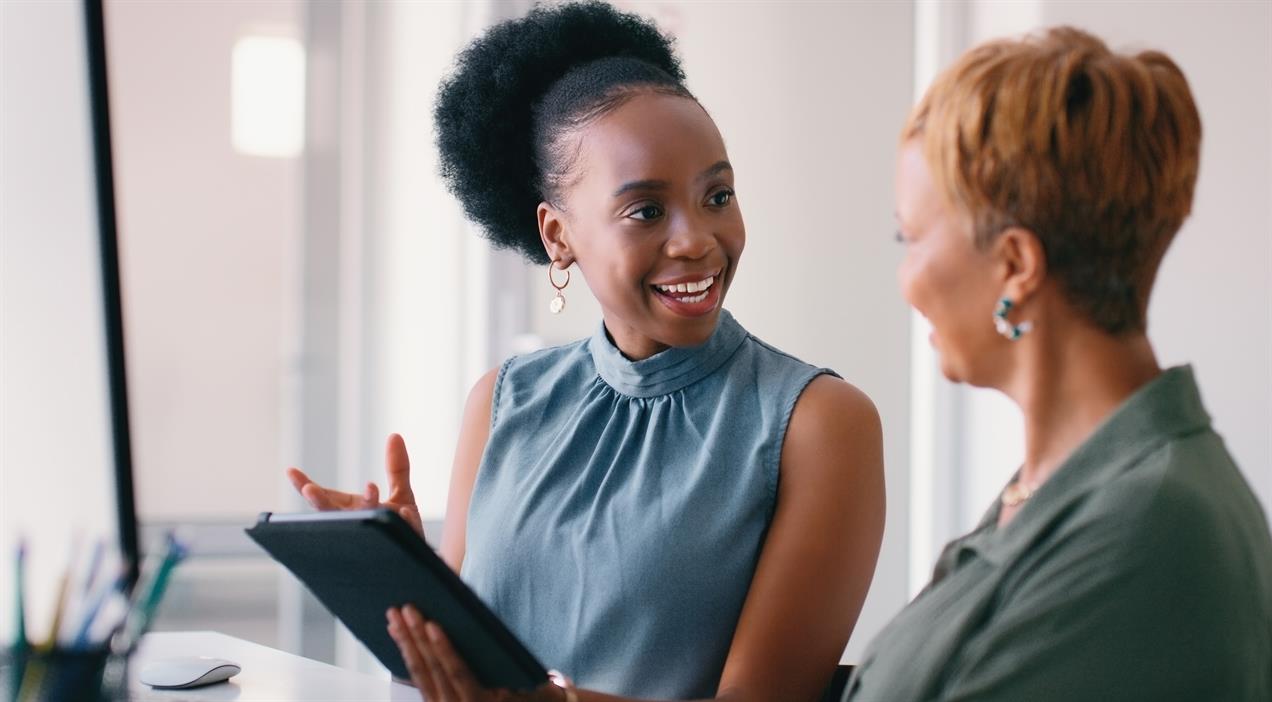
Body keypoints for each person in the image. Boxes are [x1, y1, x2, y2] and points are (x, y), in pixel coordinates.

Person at [286, 3, 886, 701]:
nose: (697, 239)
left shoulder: (818, 424)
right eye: (646, 210)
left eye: (717, 195)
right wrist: (410, 588)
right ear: (558, 235)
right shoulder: (503, 400)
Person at [844, 26, 1272, 701]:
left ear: (1014, 265)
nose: (904, 277)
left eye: (913, 236)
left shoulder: (1150, 531)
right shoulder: (1064, 488)